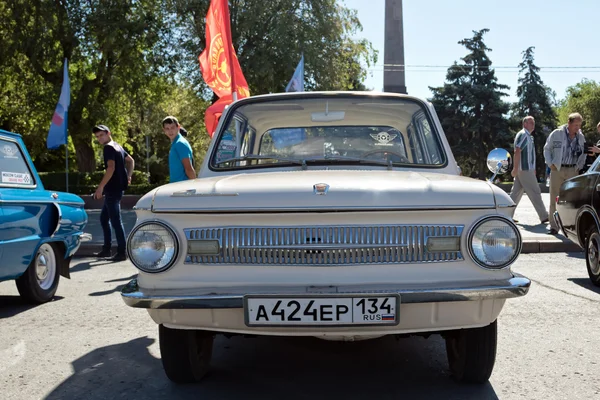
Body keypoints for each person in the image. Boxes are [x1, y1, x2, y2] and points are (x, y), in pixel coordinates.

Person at [92, 125, 134, 261]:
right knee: (104, 219)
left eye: (101, 135)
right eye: (97, 137)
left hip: (112, 189)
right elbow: (131, 161)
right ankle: (106, 249)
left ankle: (122, 252)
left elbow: (111, 168)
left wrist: (100, 188)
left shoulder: (109, 147)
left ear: (108, 133)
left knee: (116, 220)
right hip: (117, 188)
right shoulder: (117, 146)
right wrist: (128, 176)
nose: (100, 138)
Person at [543, 113, 586, 235]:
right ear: (569, 123)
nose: (577, 128)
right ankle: (553, 226)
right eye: (575, 125)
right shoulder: (557, 133)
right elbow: (547, 148)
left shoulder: (580, 137)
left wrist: (579, 166)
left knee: (572, 199)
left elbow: (584, 153)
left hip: (573, 170)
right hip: (557, 169)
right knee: (554, 198)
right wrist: (550, 163)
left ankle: (570, 226)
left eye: (579, 125)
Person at [509, 116, 549, 225]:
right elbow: (517, 151)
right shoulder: (523, 135)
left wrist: (533, 168)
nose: (533, 124)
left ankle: (505, 215)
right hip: (525, 170)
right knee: (535, 192)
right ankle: (544, 216)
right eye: (531, 122)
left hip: (526, 169)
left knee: (515, 194)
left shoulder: (528, 136)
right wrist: (515, 168)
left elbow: (529, 155)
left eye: (534, 122)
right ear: (524, 124)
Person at [162, 116, 195, 182]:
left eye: (172, 128)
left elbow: (188, 168)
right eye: (167, 128)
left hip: (183, 188)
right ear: (164, 130)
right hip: (177, 187)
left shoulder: (180, 143)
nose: (170, 131)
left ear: (178, 127)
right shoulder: (175, 143)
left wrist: (195, 186)